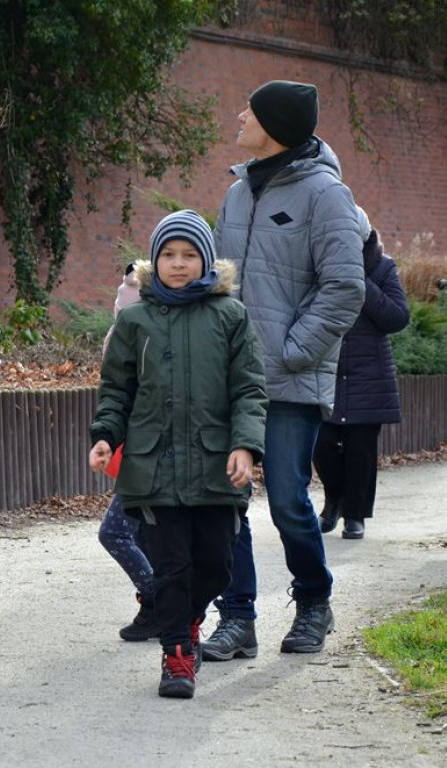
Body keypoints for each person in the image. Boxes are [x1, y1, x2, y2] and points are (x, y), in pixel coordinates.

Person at [206, 80, 365, 661]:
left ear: (273, 124)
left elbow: (346, 287)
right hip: (231, 378)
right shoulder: (237, 193)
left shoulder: (327, 195)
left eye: (248, 109)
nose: (238, 114)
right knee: (228, 497)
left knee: (288, 501)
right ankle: (237, 618)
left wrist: (294, 348)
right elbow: (219, 281)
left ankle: (314, 603)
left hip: (293, 377)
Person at [89, 210, 267, 699]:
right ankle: (176, 656)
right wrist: (105, 435)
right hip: (154, 469)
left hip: (215, 466)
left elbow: (250, 389)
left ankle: (188, 617)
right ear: (154, 260)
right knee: (171, 567)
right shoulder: (134, 319)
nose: (179, 263)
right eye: (169, 254)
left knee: (216, 565)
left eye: (189, 255)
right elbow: (116, 391)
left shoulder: (231, 315)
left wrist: (246, 445)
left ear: (206, 261)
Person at [315, 209, 410, 540]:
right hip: (324, 372)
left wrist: (361, 282)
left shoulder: (383, 268)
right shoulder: (317, 267)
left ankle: (355, 515)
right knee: (322, 445)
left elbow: (398, 317)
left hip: (369, 375)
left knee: (360, 452)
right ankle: (334, 500)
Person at [98, 262, 158, 641]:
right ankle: (155, 606)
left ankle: (158, 600)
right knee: (142, 535)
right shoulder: (120, 339)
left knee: (115, 533)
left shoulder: (144, 340)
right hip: (137, 454)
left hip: (148, 457)